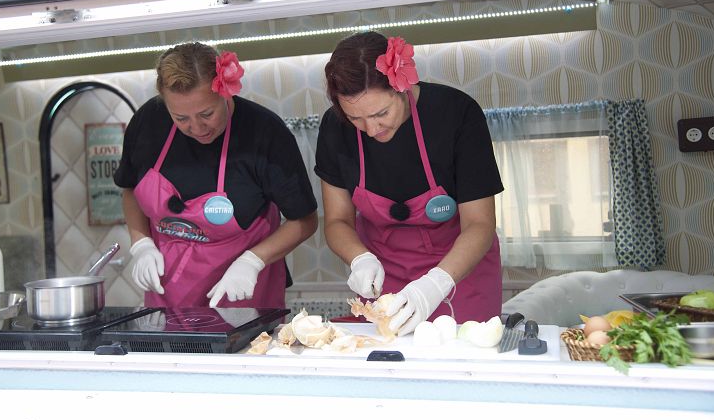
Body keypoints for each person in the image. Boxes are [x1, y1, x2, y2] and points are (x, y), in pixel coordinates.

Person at [315, 31, 503, 335]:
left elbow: (480, 224)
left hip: (459, 273)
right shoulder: (334, 127)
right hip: (383, 276)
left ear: (402, 85)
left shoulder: (457, 114)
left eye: (381, 113)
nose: (372, 129)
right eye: (356, 119)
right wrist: (359, 258)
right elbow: (337, 220)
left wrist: (434, 284)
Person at [114, 42, 318, 309]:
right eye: (180, 118)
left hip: (241, 298)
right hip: (167, 300)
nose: (197, 128)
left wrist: (251, 262)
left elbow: (304, 220)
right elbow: (130, 187)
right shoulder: (147, 122)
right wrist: (141, 244)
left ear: (226, 91)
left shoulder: (264, 132)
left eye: (206, 113)